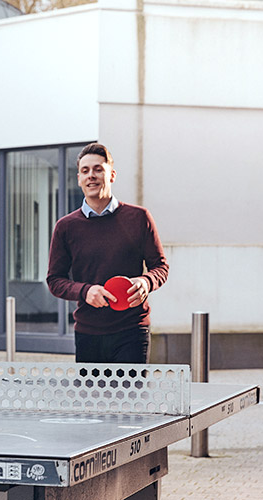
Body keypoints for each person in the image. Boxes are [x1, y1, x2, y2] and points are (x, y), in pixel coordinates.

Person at [46, 143, 169, 364]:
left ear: (111, 175)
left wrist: (145, 282)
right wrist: (85, 291)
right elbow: (55, 280)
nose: (91, 176)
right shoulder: (65, 227)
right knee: (91, 399)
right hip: (88, 332)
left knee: (131, 398)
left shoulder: (139, 218)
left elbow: (160, 267)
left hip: (133, 330)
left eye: (98, 169)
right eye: (85, 171)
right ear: (79, 179)